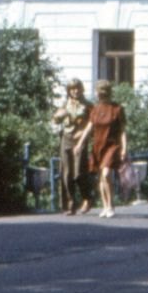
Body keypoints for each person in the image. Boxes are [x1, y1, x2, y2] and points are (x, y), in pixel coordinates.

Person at [76, 79, 128, 218]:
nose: (100, 95)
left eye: (102, 93)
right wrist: (80, 143)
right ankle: (105, 206)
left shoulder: (117, 109)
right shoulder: (95, 109)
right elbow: (89, 128)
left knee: (106, 174)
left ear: (107, 93)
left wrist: (124, 148)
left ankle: (111, 206)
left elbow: (122, 130)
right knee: (101, 177)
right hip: (98, 145)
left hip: (112, 145)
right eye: (99, 93)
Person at [51, 78, 94, 215]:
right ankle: (70, 202)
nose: (75, 91)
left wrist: (84, 132)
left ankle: (87, 198)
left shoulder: (88, 105)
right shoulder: (65, 104)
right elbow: (54, 120)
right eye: (72, 89)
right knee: (67, 172)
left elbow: (93, 123)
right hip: (66, 138)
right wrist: (57, 117)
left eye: (77, 88)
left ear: (82, 89)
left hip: (80, 139)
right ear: (68, 91)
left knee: (79, 172)